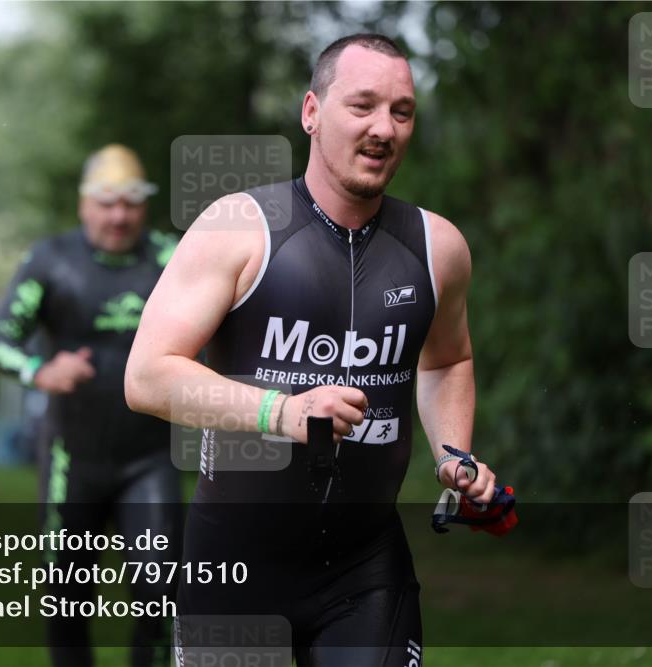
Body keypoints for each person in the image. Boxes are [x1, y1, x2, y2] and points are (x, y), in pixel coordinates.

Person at [125, 34, 499, 666]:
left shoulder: (439, 248)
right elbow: (148, 377)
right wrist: (283, 411)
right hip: (236, 567)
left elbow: (447, 359)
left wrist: (454, 455)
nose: (384, 128)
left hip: (366, 569)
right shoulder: (238, 228)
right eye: (363, 106)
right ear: (311, 112)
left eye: (401, 112)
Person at [0, 144, 181, 667]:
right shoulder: (51, 260)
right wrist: (39, 372)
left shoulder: (170, 258)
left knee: (162, 598)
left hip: (149, 461)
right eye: (106, 202)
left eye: (131, 203)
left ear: (145, 207)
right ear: (84, 204)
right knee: (66, 605)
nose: (119, 216)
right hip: (72, 463)